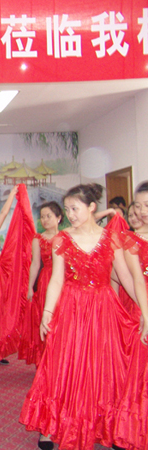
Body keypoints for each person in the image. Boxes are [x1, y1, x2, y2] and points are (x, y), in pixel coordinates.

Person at [19, 183, 144, 450]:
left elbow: (125, 277)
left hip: (103, 308)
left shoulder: (112, 238)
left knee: (103, 367)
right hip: (71, 308)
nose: (70, 214)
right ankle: (52, 425)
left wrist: (145, 309)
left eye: (75, 209)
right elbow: (56, 279)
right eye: (67, 210)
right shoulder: (62, 239)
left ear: (91, 207)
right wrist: (47, 313)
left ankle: (105, 425)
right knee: (63, 364)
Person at [113, 181, 148, 450]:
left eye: (147, 205)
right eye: (139, 205)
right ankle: (133, 431)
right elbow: (135, 280)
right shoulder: (130, 240)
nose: (143, 211)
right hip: (141, 308)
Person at [18, 202, 63, 367]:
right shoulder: (38, 239)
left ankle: (61, 360)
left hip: (64, 280)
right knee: (45, 319)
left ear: (59, 218)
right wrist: (30, 287)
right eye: (42, 217)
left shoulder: (66, 237)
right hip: (46, 281)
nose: (45, 220)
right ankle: (45, 360)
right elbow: (35, 264)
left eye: (48, 216)